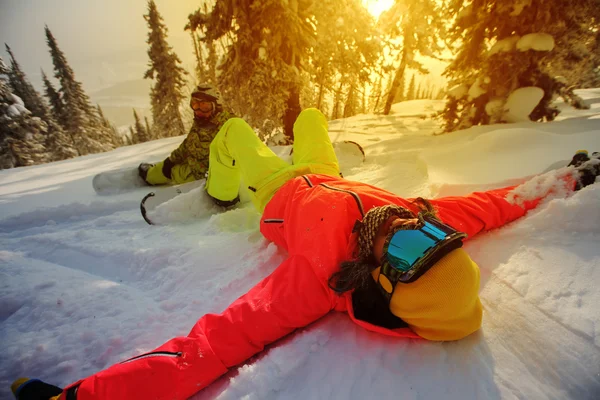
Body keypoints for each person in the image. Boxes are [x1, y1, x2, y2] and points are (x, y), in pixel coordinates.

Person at [12, 109, 598, 400]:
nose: (411, 222)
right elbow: (497, 203)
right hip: (322, 173)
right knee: (312, 114)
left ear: (377, 285)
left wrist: (79, 397)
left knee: (233, 129)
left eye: (411, 246)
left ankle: (218, 192)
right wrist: (568, 178)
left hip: (274, 194)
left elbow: (205, 349)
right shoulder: (423, 223)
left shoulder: (315, 283)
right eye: (433, 233)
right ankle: (303, 147)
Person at [138, 84, 240, 206]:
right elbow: (189, 143)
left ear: (216, 106)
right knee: (167, 166)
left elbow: (244, 153)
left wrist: (229, 187)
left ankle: (151, 176)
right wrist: (171, 160)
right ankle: (152, 173)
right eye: (195, 104)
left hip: (203, 175)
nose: (198, 111)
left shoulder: (228, 126)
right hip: (194, 162)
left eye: (204, 106)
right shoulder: (201, 121)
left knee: (172, 172)